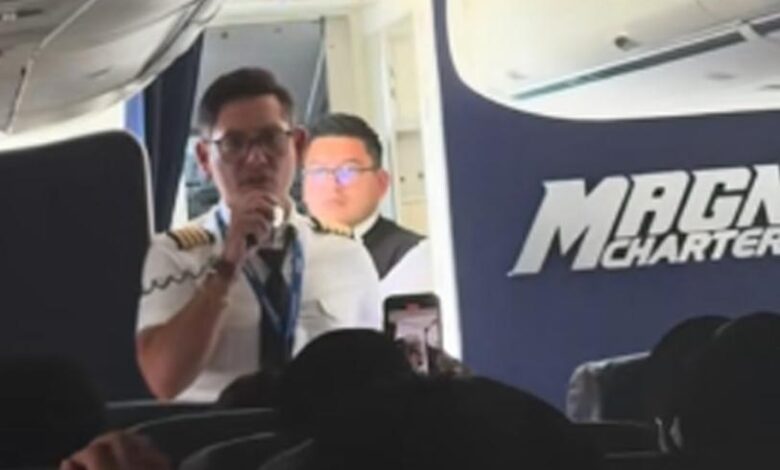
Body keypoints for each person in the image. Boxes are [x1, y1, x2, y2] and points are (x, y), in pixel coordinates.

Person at [136, 68, 381, 402]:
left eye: (271, 139)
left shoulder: (345, 253)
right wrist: (225, 269)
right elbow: (164, 381)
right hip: (214, 431)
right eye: (234, 144)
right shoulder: (173, 255)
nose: (255, 159)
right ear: (205, 159)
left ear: (298, 145)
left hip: (317, 431)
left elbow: (372, 375)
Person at [302, 113, 425, 280]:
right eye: (319, 172)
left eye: (348, 171)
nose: (332, 184)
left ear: (381, 183)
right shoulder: (289, 254)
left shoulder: (413, 256)